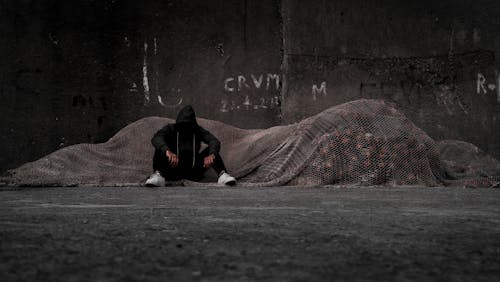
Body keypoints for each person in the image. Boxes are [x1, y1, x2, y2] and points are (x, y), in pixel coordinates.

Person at [145, 105, 236, 186]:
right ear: (178, 123)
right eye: (182, 125)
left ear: (193, 124)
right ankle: (158, 176)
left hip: (193, 171)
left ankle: (222, 175)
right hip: (171, 170)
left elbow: (214, 141)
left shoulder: (197, 130)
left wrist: (211, 155)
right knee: (160, 148)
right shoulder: (170, 129)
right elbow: (156, 138)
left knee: (211, 150)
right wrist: (167, 151)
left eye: (188, 125)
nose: (185, 128)